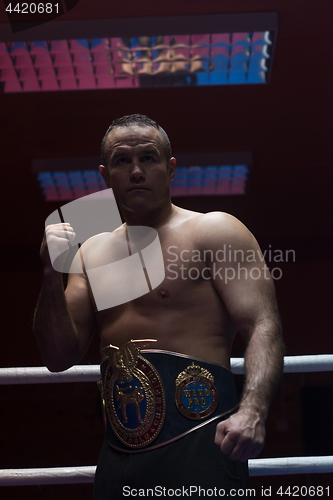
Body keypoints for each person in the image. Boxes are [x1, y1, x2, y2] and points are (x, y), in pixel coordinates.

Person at [34, 114, 284, 498]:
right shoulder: (89, 253)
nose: (136, 171)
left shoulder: (214, 231)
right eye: (122, 161)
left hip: (203, 443)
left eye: (148, 158)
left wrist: (253, 411)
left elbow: (263, 326)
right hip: (120, 456)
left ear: (170, 169)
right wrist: (51, 276)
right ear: (105, 175)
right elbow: (57, 356)